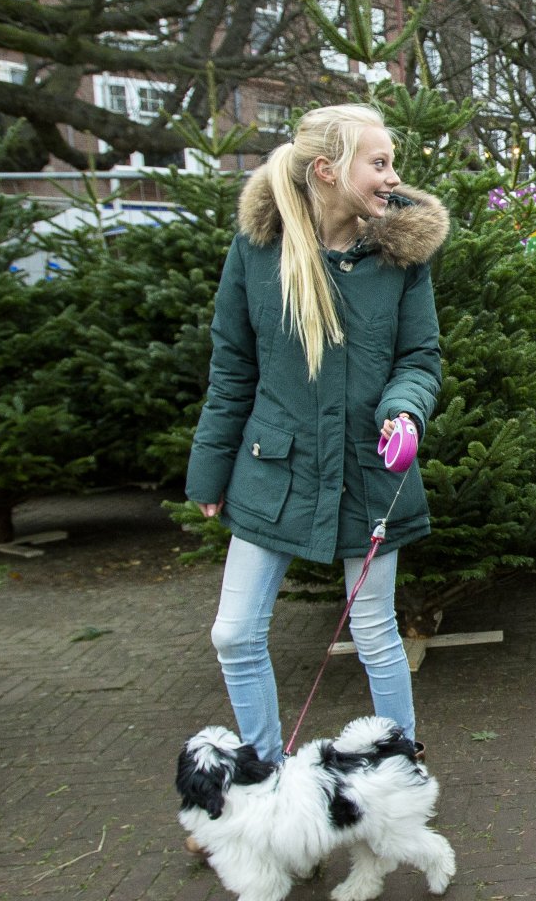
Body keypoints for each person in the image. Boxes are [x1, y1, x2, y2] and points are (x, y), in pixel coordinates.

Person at [185, 104, 448, 767]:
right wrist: (209, 474)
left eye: (392, 162)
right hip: (273, 468)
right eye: (379, 162)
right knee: (235, 632)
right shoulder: (257, 250)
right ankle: (262, 775)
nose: (393, 177)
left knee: (374, 633)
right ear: (328, 171)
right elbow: (232, 365)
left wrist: (405, 412)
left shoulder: (400, 257)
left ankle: (399, 769)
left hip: (369, 466)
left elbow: (419, 358)